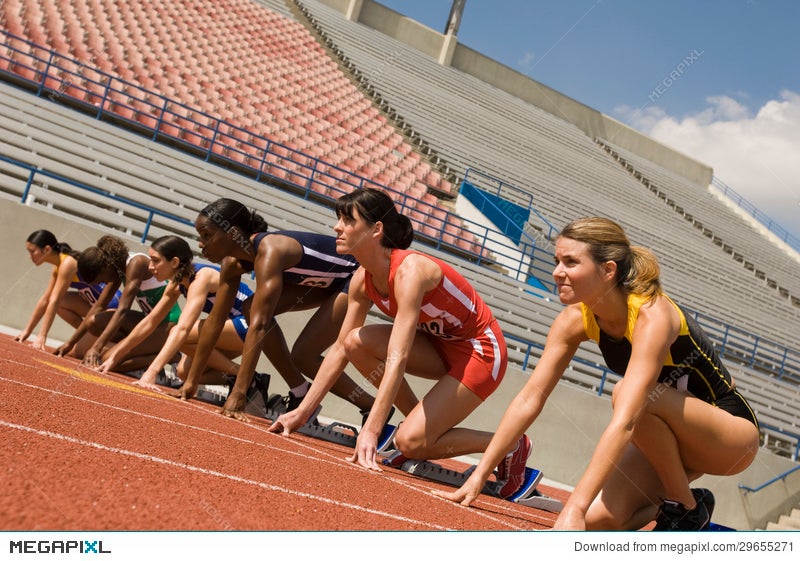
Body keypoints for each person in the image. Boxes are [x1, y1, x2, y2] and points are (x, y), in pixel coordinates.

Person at [433, 216, 760, 531]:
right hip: (663, 441)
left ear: (608, 270)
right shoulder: (573, 320)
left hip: (728, 437)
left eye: (571, 262)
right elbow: (530, 398)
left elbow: (627, 419)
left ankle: (683, 508)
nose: (557, 272)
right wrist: (480, 474)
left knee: (628, 396)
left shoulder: (652, 314)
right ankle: (691, 506)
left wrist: (573, 507)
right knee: (597, 521)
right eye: (557, 261)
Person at [269, 188, 528, 497]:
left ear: (376, 229)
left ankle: (511, 444)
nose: (337, 227)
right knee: (355, 342)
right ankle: (419, 430)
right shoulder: (361, 279)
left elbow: (398, 355)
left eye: (348, 220)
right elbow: (339, 348)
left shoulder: (410, 272)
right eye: (338, 219)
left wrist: (373, 430)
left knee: (410, 442)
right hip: (439, 345)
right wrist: (303, 411)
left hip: (480, 351)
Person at [179, 197, 382, 422]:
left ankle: (372, 407)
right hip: (321, 283)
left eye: (207, 235)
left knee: (303, 356)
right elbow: (214, 322)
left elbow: (259, 326)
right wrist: (191, 381)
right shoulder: (231, 264)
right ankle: (300, 391)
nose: (201, 244)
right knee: (250, 308)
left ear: (233, 233)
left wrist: (239, 393)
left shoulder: (270, 250)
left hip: (357, 276)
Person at [96, 235, 262, 399]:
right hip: (230, 330)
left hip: (253, 326)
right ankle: (250, 378)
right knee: (184, 372)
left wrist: (151, 372)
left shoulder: (201, 278)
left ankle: (245, 376)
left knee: (180, 333)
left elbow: (183, 328)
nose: (150, 267)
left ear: (174, 262)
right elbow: (150, 321)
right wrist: (115, 357)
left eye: (155, 260)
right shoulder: (176, 284)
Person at [72, 234, 182, 369]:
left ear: (106, 267)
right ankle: (136, 350)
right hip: (149, 320)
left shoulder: (136, 263)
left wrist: (96, 348)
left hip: (168, 324)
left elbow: (123, 310)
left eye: (102, 280)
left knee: (108, 360)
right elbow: (99, 306)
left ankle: (172, 356)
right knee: (92, 323)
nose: (104, 283)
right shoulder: (117, 269)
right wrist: (70, 343)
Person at [14, 230, 119, 355]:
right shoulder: (58, 266)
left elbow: (54, 300)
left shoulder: (68, 263)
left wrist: (42, 336)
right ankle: (89, 336)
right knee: (63, 302)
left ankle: (115, 345)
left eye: (32, 251)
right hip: (95, 307)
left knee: (78, 352)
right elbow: (46, 299)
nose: (30, 256)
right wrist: (27, 331)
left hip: (111, 308)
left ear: (47, 249)